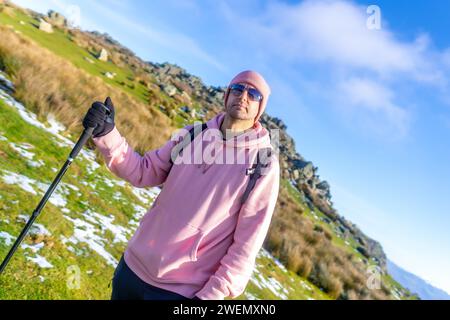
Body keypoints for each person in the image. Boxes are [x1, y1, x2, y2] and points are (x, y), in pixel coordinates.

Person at [82, 70, 280, 300]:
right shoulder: (192, 135)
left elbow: (246, 246)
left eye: (253, 94)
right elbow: (144, 171)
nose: (243, 96)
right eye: (237, 89)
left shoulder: (262, 163)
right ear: (227, 95)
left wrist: (208, 297)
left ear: (260, 108)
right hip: (133, 266)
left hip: (182, 292)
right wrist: (108, 134)